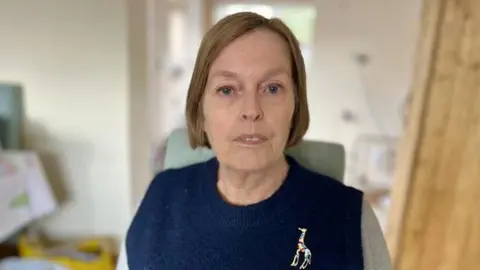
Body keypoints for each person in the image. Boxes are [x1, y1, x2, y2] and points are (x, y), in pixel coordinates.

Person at [117, 12, 392, 270]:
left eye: (272, 88)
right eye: (227, 89)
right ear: (201, 108)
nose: (251, 109)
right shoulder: (157, 198)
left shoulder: (352, 220)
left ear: (296, 105)